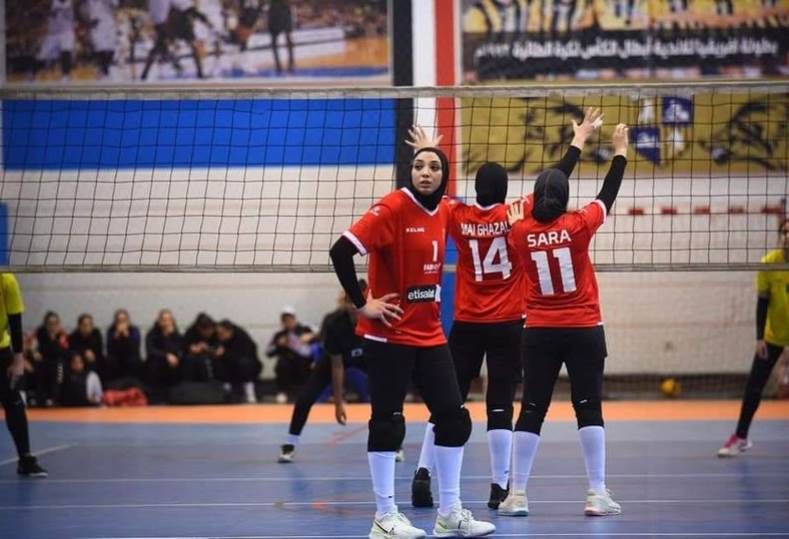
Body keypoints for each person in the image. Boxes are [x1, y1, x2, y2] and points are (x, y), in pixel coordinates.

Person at [409, 110, 603, 510]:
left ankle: (423, 472)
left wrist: (429, 152)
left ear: (476, 189)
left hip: (466, 322)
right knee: (499, 405)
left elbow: (429, 193)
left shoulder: (457, 215)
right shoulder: (515, 214)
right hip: (509, 323)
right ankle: (500, 486)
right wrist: (578, 140)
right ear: (505, 190)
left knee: (448, 400)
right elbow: (556, 179)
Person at [329, 140, 495, 537]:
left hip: (430, 334)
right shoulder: (392, 208)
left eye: (433, 167)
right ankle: (384, 517)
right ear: (410, 172)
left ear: (444, 176)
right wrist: (362, 303)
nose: (425, 172)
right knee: (388, 423)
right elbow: (340, 252)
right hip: (389, 336)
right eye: (419, 166)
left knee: (454, 419)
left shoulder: (445, 209)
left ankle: (450, 513)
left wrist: (430, 146)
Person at [498, 123, 629, 518]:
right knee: (588, 408)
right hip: (584, 328)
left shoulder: (519, 232)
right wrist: (620, 151)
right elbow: (608, 193)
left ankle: (517, 494)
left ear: (535, 197)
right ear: (565, 198)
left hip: (539, 331)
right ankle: (596, 493)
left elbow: (526, 211)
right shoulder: (579, 225)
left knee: (532, 408)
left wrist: (577, 141)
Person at [278, 281, 373, 464]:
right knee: (305, 398)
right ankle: (290, 444)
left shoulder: (376, 318)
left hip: (366, 358)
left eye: (360, 303)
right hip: (334, 361)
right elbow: (337, 366)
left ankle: (394, 445)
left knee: (386, 395)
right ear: (345, 303)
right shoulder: (334, 322)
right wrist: (338, 403)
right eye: (351, 302)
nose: (355, 308)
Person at [718, 218, 789, 457]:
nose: (788, 236)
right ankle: (741, 437)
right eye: (785, 232)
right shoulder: (769, 264)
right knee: (754, 387)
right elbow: (763, 303)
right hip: (773, 335)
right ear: (780, 236)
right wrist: (759, 338)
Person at [1, 273, 48, 477]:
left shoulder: (6, 280)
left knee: (14, 403)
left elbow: (15, 321)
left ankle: (25, 459)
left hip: (1, 351)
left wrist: (19, 358)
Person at [266, 307, 315, 403]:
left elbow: (319, 341)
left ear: (294, 318)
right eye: (285, 320)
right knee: (282, 364)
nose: (288, 322)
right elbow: (268, 352)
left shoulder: (305, 330)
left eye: (290, 319)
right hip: (286, 363)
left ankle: (306, 391)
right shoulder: (279, 335)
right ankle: (282, 392)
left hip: (304, 362)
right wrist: (278, 345)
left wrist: (311, 337)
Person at [214, 319, 263, 403]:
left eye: (222, 333)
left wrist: (225, 353)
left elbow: (243, 356)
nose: (219, 336)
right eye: (218, 333)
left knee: (244, 364)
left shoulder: (242, 338)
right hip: (229, 364)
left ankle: (249, 392)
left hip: (246, 365)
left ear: (229, 331)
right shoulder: (220, 338)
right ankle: (225, 390)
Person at [144, 309, 183, 401]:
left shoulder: (176, 334)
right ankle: (155, 396)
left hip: (172, 361)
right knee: (154, 363)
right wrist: (166, 355)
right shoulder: (152, 333)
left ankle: (175, 395)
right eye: (164, 320)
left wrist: (170, 336)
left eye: (169, 320)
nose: (166, 322)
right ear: (159, 321)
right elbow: (151, 350)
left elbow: (179, 349)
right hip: (157, 360)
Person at [35, 311, 69, 406]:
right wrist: (34, 352)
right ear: (46, 324)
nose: (53, 326)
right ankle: (41, 398)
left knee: (58, 365)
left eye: (55, 324)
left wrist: (53, 338)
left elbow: (60, 352)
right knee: (41, 364)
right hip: (44, 361)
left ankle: (54, 398)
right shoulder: (40, 332)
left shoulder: (62, 335)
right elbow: (33, 346)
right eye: (50, 324)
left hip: (58, 361)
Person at [37, 0, 76, 79]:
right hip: (53, 33)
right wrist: (49, 13)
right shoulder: (51, 2)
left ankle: (66, 75)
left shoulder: (71, 2)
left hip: (66, 32)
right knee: (42, 56)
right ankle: (32, 73)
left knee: (66, 51)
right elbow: (41, 8)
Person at [106, 309, 143, 382]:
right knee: (110, 360)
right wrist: (116, 336)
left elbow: (135, 347)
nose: (121, 323)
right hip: (117, 357)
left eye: (124, 320)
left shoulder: (134, 330)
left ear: (128, 320)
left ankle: (134, 382)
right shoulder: (111, 330)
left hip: (130, 356)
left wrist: (127, 336)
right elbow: (109, 348)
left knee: (134, 360)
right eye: (119, 321)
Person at [182, 313, 219, 382]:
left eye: (211, 330)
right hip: (194, 357)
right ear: (199, 329)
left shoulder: (216, 331)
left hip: (211, 356)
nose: (209, 333)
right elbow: (184, 345)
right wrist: (191, 348)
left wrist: (208, 348)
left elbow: (219, 347)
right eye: (206, 331)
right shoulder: (191, 332)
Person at [69, 314, 105, 378]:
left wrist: (92, 354)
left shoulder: (96, 333)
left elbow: (99, 349)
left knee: (108, 361)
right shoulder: (74, 336)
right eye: (84, 325)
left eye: (90, 325)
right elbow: (74, 351)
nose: (87, 327)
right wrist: (85, 352)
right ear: (79, 326)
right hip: (81, 360)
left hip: (96, 357)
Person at [268, 0, 294, 74]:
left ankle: (289, 64)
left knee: (287, 39)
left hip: (282, 10)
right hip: (275, 10)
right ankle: (279, 65)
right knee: (275, 41)